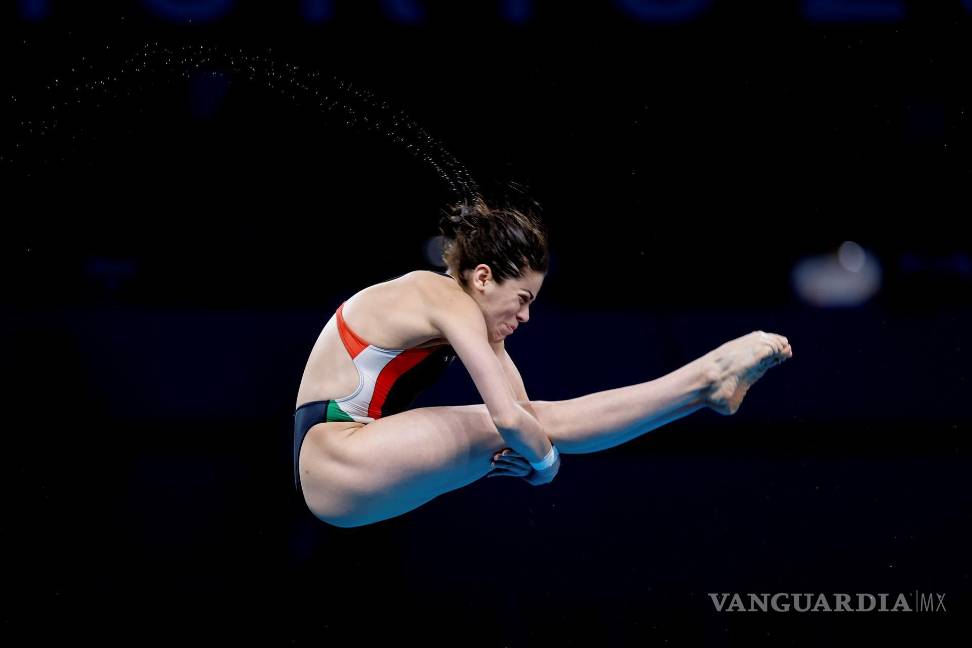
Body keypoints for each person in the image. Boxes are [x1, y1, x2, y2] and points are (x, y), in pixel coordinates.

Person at [293, 196, 793, 528]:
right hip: (338, 458)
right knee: (532, 426)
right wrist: (547, 464)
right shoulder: (444, 298)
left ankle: (703, 391)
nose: (527, 315)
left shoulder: (461, 309)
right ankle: (705, 381)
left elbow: (521, 410)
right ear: (484, 277)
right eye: (523, 298)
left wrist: (536, 442)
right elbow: (511, 420)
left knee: (538, 421)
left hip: (341, 476)